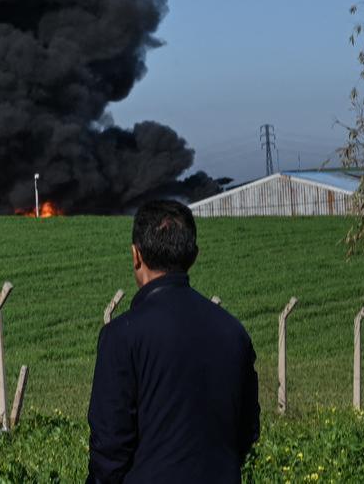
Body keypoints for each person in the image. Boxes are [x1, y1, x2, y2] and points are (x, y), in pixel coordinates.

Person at [87, 200, 260, 483]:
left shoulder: (121, 336)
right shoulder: (233, 332)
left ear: (136, 255)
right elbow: (247, 430)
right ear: (193, 256)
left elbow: (110, 447)